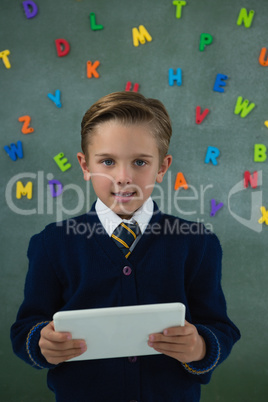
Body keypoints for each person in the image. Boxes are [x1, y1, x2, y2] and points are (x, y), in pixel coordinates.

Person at [11, 91, 240, 402]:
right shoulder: (51, 244)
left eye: (140, 162)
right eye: (107, 161)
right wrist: (42, 343)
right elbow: (26, 328)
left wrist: (199, 346)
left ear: (162, 167)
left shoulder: (198, 243)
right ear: (85, 165)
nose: (123, 177)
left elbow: (219, 326)